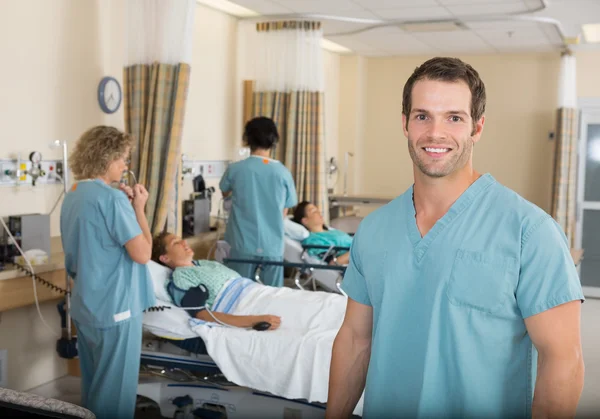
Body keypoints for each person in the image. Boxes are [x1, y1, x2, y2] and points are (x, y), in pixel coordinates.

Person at [326, 57, 585, 419]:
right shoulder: (374, 230)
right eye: (422, 116)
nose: (435, 133)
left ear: (477, 128)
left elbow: (563, 359)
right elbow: (355, 339)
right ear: (405, 124)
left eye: (454, 117)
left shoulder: (529, 231)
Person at [60, 126, 154, 419]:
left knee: (95, 388)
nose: (126, 166)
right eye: (123, 159)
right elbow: (144, 254)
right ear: (106, 158)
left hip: (88, 307)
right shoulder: (113, 200)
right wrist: (139, 208)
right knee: (114, 398)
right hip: (117, 310)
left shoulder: (73, 194)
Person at [220, 116, 297, 287]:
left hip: (242, 243)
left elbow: (225, 192)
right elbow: (285, 209)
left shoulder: (235, 169)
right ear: (274, 140)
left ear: (247, 139)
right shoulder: (283, 172)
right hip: (272, 245)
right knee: (273, 294)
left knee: (239, 293)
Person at [152, 231, 281, 330]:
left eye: (181, 240)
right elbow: (202, 315)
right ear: (164, 258)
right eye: (176, 243)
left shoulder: (204, 263)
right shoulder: (181, 278)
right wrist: (254, 321)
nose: (184, 242)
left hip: (261, 294)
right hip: (248, 307)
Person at [292, 201, 353, 265]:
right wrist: (356, 251)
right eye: (314, 211)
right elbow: (333, 263)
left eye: (318, 210)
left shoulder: (332, 231)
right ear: (305, 221)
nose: (319, 212)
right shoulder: (313, 240)